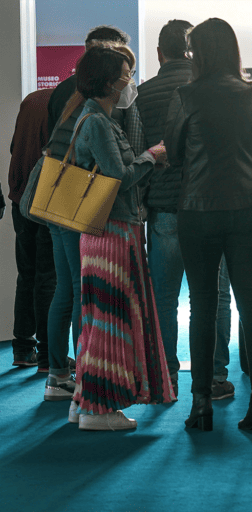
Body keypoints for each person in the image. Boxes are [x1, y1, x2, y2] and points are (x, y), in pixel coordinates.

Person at [166, 18, 252, 433]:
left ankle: (201, 404)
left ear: (198, 53)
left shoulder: (185, 95)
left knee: (202, 304)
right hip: (249, 207)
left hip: (198, 209)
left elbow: (175, 152)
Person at [69, 46, 174, 431]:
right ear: (110, 82)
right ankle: (100, 408)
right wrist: (152, 156)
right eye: (126, 75)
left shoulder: (93, 118)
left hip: (101, 231)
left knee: (99, 318)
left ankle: (85, 401)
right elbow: (119, 177)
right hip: (113, 231)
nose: (130, 82)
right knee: (111, 318)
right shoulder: (99, 122)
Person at [136, 19, 234, 400]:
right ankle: (215, 377)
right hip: (208, 207)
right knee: (212, 298)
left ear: (160, 52)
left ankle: (167, 380)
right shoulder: (211, 90)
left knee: (163, 299)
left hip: (164, 209)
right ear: (192, 50)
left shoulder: (142, 95)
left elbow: (138, 155)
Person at [43, 26, 132, 403]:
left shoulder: (65, 92)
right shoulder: (97, 108)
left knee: (65, 288)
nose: (126, 80)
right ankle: (85, 377)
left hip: (59, 199)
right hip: (83, 204)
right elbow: (115, 167)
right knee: (82, 292)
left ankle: (57, 375)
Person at [7, 88, 57, 370]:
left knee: (26, 274)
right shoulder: (65, 104)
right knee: (48, 277)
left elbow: (14, 146)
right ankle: (48, 354)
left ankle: (23, 348)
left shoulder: (31, 99)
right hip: (47, 199)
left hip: (20, 197)